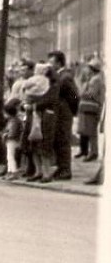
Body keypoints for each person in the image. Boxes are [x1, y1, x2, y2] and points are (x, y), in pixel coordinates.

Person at [47, 51, 79, 180]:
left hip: (64, 113)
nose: (49, 65)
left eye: (52, 62)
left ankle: (66, 170)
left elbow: (75, 96)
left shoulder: (65, 77)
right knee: (58, 140)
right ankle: (61, 168)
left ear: (59, 63)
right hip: (58, 112)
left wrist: (71, 110)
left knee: (63, 140)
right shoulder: (58, 76)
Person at [75, 57, 103, 163]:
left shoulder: (95, 79)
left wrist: (82, 91)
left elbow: (91, 94)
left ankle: (93, 152)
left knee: (91, 132)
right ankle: (91, 151)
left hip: (91, 107)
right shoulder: (94, 78)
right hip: (88, 107)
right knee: (89, 131)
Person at [2, 100, 23, 181]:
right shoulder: (14, 120)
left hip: (12, 140)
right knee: (9, 156)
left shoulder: (13, 121)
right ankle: (10, 171)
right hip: (12, 140)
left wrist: (6, 135)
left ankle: (13, 171)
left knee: (10, 156)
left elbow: (12, 132)